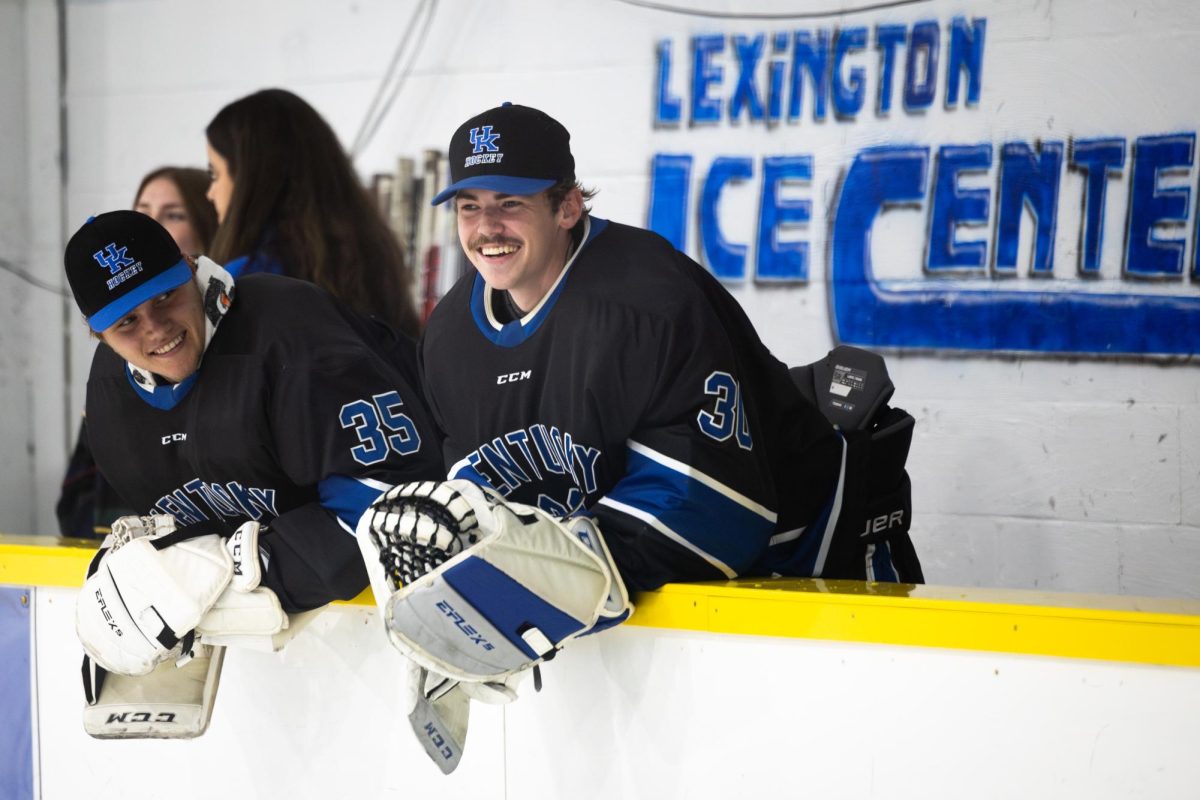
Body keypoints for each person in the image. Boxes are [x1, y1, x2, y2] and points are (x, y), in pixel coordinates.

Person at [351, 104, 922, 768]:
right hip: (671, 598)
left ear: (567, 206)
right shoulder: (450, 335)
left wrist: (539, 581)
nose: (486, 230)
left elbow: (718, 513)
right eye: (469, 207)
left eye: (510, 203)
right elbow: (485, 500)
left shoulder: (646, 299)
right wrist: (458, 588)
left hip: (817, 559)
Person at [64, 210, 444, 735]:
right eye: (126, 322)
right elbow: (174, 526)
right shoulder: (109, 393)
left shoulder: (291, 329)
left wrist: (246, 573)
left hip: (397, 641)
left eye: (165, 296)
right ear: (96, 333)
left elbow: (391, 504)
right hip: (292, 682)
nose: (157, 329)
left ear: (190, 267)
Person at [56, 167, 219, 539]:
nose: (154, 326)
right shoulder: (112, 372)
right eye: (143, 209)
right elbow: (77, 500)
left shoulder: (254, 329)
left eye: (172, 214)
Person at [204, 87, 421, 336]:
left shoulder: (244, 282)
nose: (210, 193)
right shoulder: (373, 256)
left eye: (215, 174)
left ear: (251, 179)